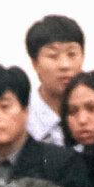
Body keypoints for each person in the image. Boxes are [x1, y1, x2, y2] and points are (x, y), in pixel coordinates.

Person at [25, 14, 85, 146]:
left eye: (72, 54)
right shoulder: (22, 117)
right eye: (53, 56)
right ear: (35, 63)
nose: (65, 65)